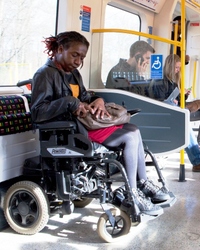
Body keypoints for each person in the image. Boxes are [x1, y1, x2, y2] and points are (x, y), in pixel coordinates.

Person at [30, 31, 170, 216]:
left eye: (82, 57)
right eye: (75, 55)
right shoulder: (45, 74)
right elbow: (38, 112)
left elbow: (85, 97)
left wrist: (98, 101)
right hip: (68, 131)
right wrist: (70, 102)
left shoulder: (73, 74)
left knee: (134, 129)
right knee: (128, 138)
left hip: (83, 124)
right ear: (60, 49)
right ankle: (132, 194)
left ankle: (142, 183)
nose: (78, 61)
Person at [149, 54, 200, 172]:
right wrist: (173, 100)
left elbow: (178, 100)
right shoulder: (159, 81)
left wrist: (183, 95)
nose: (178, 70)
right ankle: (199, 158)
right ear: (169, 66)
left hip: (175, 109)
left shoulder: (172, 82)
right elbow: (161, 102)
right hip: (168, 113)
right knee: (185, 115)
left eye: (179, 68)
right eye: (176, 68)